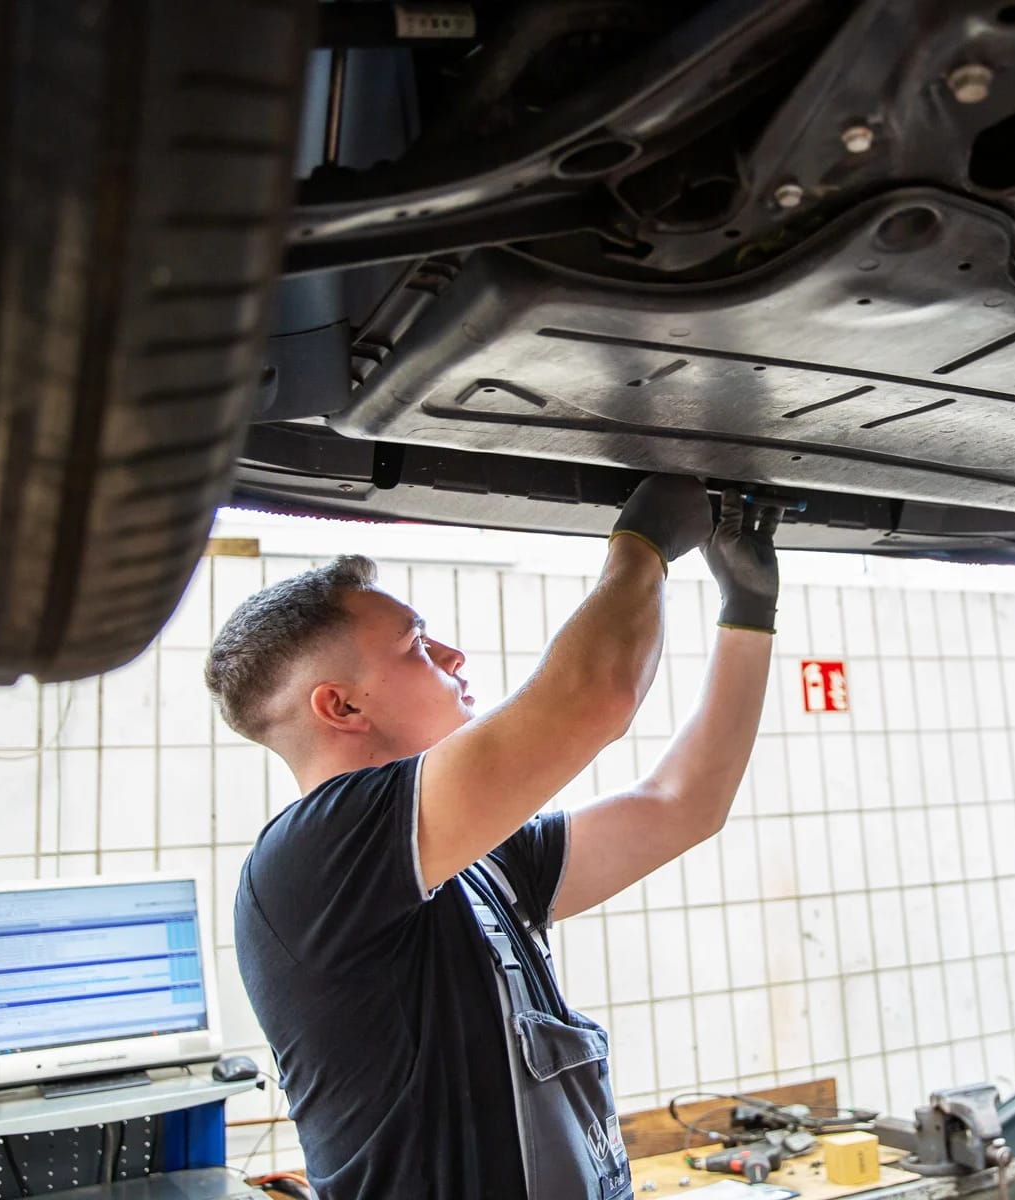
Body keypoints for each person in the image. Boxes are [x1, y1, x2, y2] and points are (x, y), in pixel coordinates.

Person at [203, 476, 781, 1200]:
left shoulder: (476, 861)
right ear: (341, 706)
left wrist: (748, 612)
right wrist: (643, 545)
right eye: (417, 644)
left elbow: (681, 805)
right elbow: (594, 696)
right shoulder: (315, 857)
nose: (453, 656)